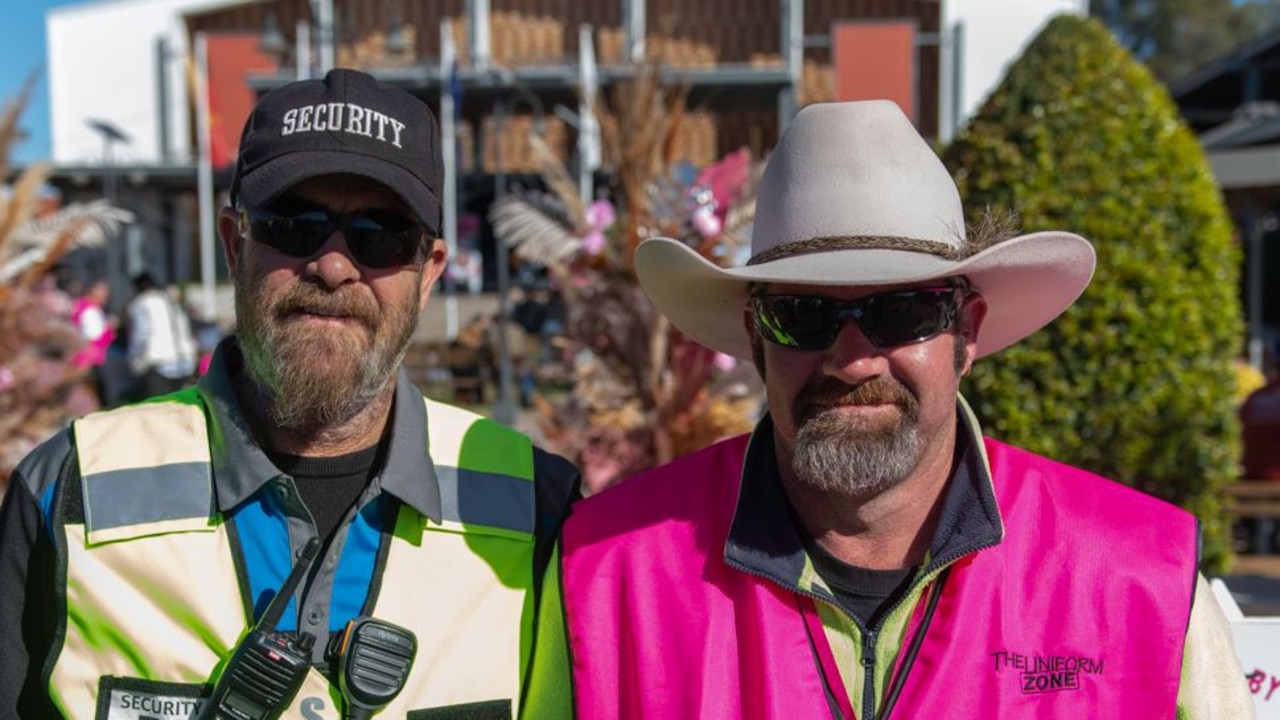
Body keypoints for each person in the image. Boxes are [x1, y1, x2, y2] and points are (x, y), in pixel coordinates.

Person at [543, 101, 1252, 717]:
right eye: (801, 314)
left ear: (967, 331)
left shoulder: (1138, 578)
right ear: (756, 335)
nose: (852, 360)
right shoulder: (604, 574)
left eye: (902, 310)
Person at [0, 68, 578, 719]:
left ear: (428, 273)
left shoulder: (541, 509)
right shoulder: (68, 491)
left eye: (380, 234)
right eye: (293, 224)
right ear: (233, 244)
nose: (333, 266)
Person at [124, 271, 198, 399]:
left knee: (160, 410)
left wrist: (134, 359)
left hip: (160, 365)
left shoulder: (141, 304)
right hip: (185, 362)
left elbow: (141, 334)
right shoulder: (169, 299)